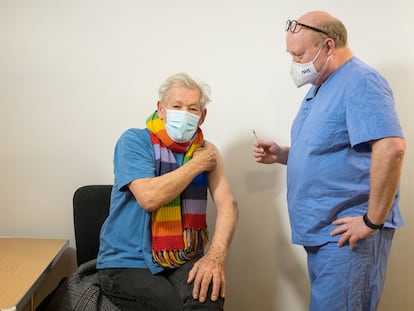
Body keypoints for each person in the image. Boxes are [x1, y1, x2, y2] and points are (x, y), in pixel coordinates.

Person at [253, 11, 406, 311]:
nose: (294, 63)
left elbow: (391, 148)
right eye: (291, 55)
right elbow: (329, 149)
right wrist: (283, 155)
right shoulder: (321, 86)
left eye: (299, 54)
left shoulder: (361, 81)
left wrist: (370, 221)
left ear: (328, 46)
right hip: (325, 237)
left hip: (348, 236)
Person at [96, 72, 239, 311]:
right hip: (128, 262)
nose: (184, 114)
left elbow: (228, 205)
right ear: (161, 108)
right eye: (176, 106)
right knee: (170, 306)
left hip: (182, 259)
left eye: (192, 108)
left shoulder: (206, 150)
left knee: (208, 298)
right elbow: (150, 197)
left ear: (202, 117)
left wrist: (215, 256)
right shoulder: (134, 141)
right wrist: (197, 165)